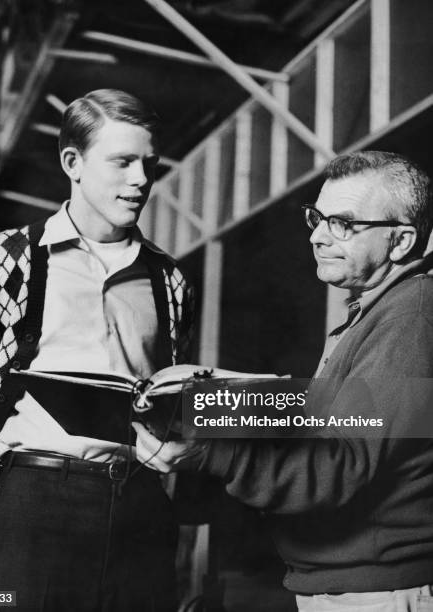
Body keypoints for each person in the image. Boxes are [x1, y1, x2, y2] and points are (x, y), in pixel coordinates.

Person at [133, 151, 433, 611]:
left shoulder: (410, 315)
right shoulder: (375, 313)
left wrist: (210, 450)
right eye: (316, 218)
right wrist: (211, 392)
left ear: (401, 241)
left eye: (343, 223)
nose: (316, 236)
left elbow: (339, 463)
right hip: (346, 584)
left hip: (377, 593)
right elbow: (327, 415)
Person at [0, 88, 194, 611]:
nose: (141, 179)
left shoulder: (170, 280)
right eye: (123, 161)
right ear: (72, 163)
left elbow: (168, 393)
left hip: (138, 507)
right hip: (27, 502)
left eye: (149, 163)